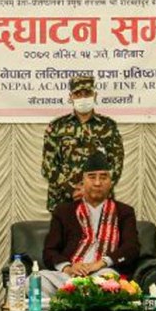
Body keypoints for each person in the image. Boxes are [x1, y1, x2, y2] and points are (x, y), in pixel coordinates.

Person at [36, 150, 144, 311]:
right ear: (82, 182)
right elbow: (49, 251)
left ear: (111, 182)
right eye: (92, 177)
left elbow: (132, 248)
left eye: (103, 177)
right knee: (35, 283)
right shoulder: (64, 211)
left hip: (104, 274)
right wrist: (68, 267)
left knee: (114, 285)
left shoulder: (124, 212)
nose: (97, 183)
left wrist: (100, 263)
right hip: (70, 276)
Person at [41, 74, 123, 212]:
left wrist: (92, 190)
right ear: (71, 97)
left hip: (99, 200)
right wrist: (71, 189)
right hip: (63, 200)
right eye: (78, 94)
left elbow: (116, 165)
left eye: (87, 93)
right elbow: (47, 166)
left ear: (95, 95)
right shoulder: (56, 127)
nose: (83, 98)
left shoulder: (108, 126)